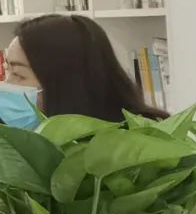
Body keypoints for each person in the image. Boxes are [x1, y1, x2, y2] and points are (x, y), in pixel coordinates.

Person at [0, 14, 166, 128]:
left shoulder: (140, 147)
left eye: (18, 75)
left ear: (67, 84)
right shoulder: (22, 144)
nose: (6, 86)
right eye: (8, 71)